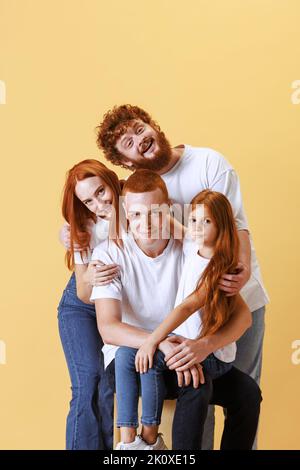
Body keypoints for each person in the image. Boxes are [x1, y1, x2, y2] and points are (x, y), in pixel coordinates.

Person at [96, 105, 269, 448]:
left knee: (244, 387)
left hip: (230, 296)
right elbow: (92, 213)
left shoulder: (208, 164)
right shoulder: (130, 216)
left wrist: (240, 269)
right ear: (126, 164)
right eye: (128, 143)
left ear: (153, 125)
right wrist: (72, 236)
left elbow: (238, 228)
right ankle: (141, 443)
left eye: (140, 130)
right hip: (177, 332)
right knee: (195, 387)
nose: (140, 141)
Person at [57, 159, 122, 450]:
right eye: (87, 200)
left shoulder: (137, 204)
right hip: (81, 307)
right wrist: (92, 276)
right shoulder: (83, 226)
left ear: (111, 181)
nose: (97, 203)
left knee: (108, 387)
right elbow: (84, 292)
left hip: (116, 304)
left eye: (100, 192)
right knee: (88, 382)